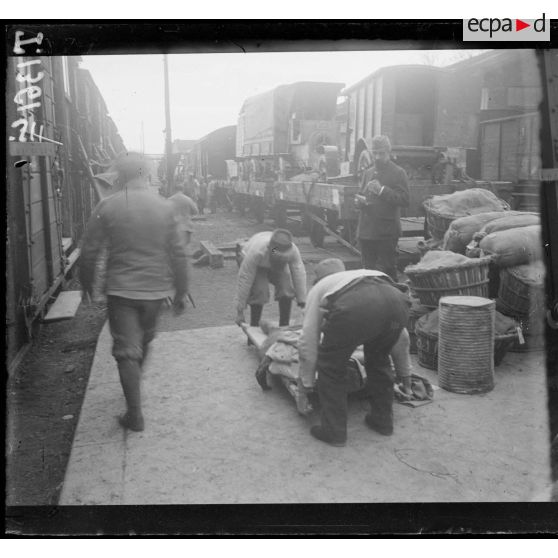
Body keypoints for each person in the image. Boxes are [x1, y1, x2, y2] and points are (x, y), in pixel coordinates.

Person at [79, 152, 189, 432]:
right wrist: (181, 291)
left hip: (121, 291)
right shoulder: (165, 207)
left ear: (120, 175)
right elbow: (178, 254)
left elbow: (89, 251)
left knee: (128, 351)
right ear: (147, 173)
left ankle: (134, 413)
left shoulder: (108, 205)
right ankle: (133, 390)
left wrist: (87, 285)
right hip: (156, 292)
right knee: (145, 341)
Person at [297, 258, 411, 447]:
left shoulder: (319, 289)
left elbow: (308, 341)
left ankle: (334, 431)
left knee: (331, 367)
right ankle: (382, 421)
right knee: (379, 358)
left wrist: (305, 385)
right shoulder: (363, 274)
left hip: (357, 310)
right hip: (398, 302)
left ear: (318, 279)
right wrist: (405, 374)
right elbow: (402, 337)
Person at [356, 135, 410, 281]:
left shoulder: (398, 172)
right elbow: (362, 194)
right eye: (375, 153)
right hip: (366, 232)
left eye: (382, 153)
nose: (378, 157)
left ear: (389, 152)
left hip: (386, 233)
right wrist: (359, 201)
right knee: (368, 273)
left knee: (387, 272)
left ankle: (394, 300)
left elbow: (405, 199)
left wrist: (381, 190)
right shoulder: (368, 172)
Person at [235, 229, 307, 328]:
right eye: (278, 258)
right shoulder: (258, 252)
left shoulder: (293, 250)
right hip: (258, 265)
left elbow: (299, 273)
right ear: (271, 253)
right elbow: (245, 279)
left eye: (283, 259)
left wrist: (302, 302)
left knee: (286, 289)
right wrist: (240, 311)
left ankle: (284, 327)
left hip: (276, 261)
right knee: (260, 292)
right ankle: (254, 327)